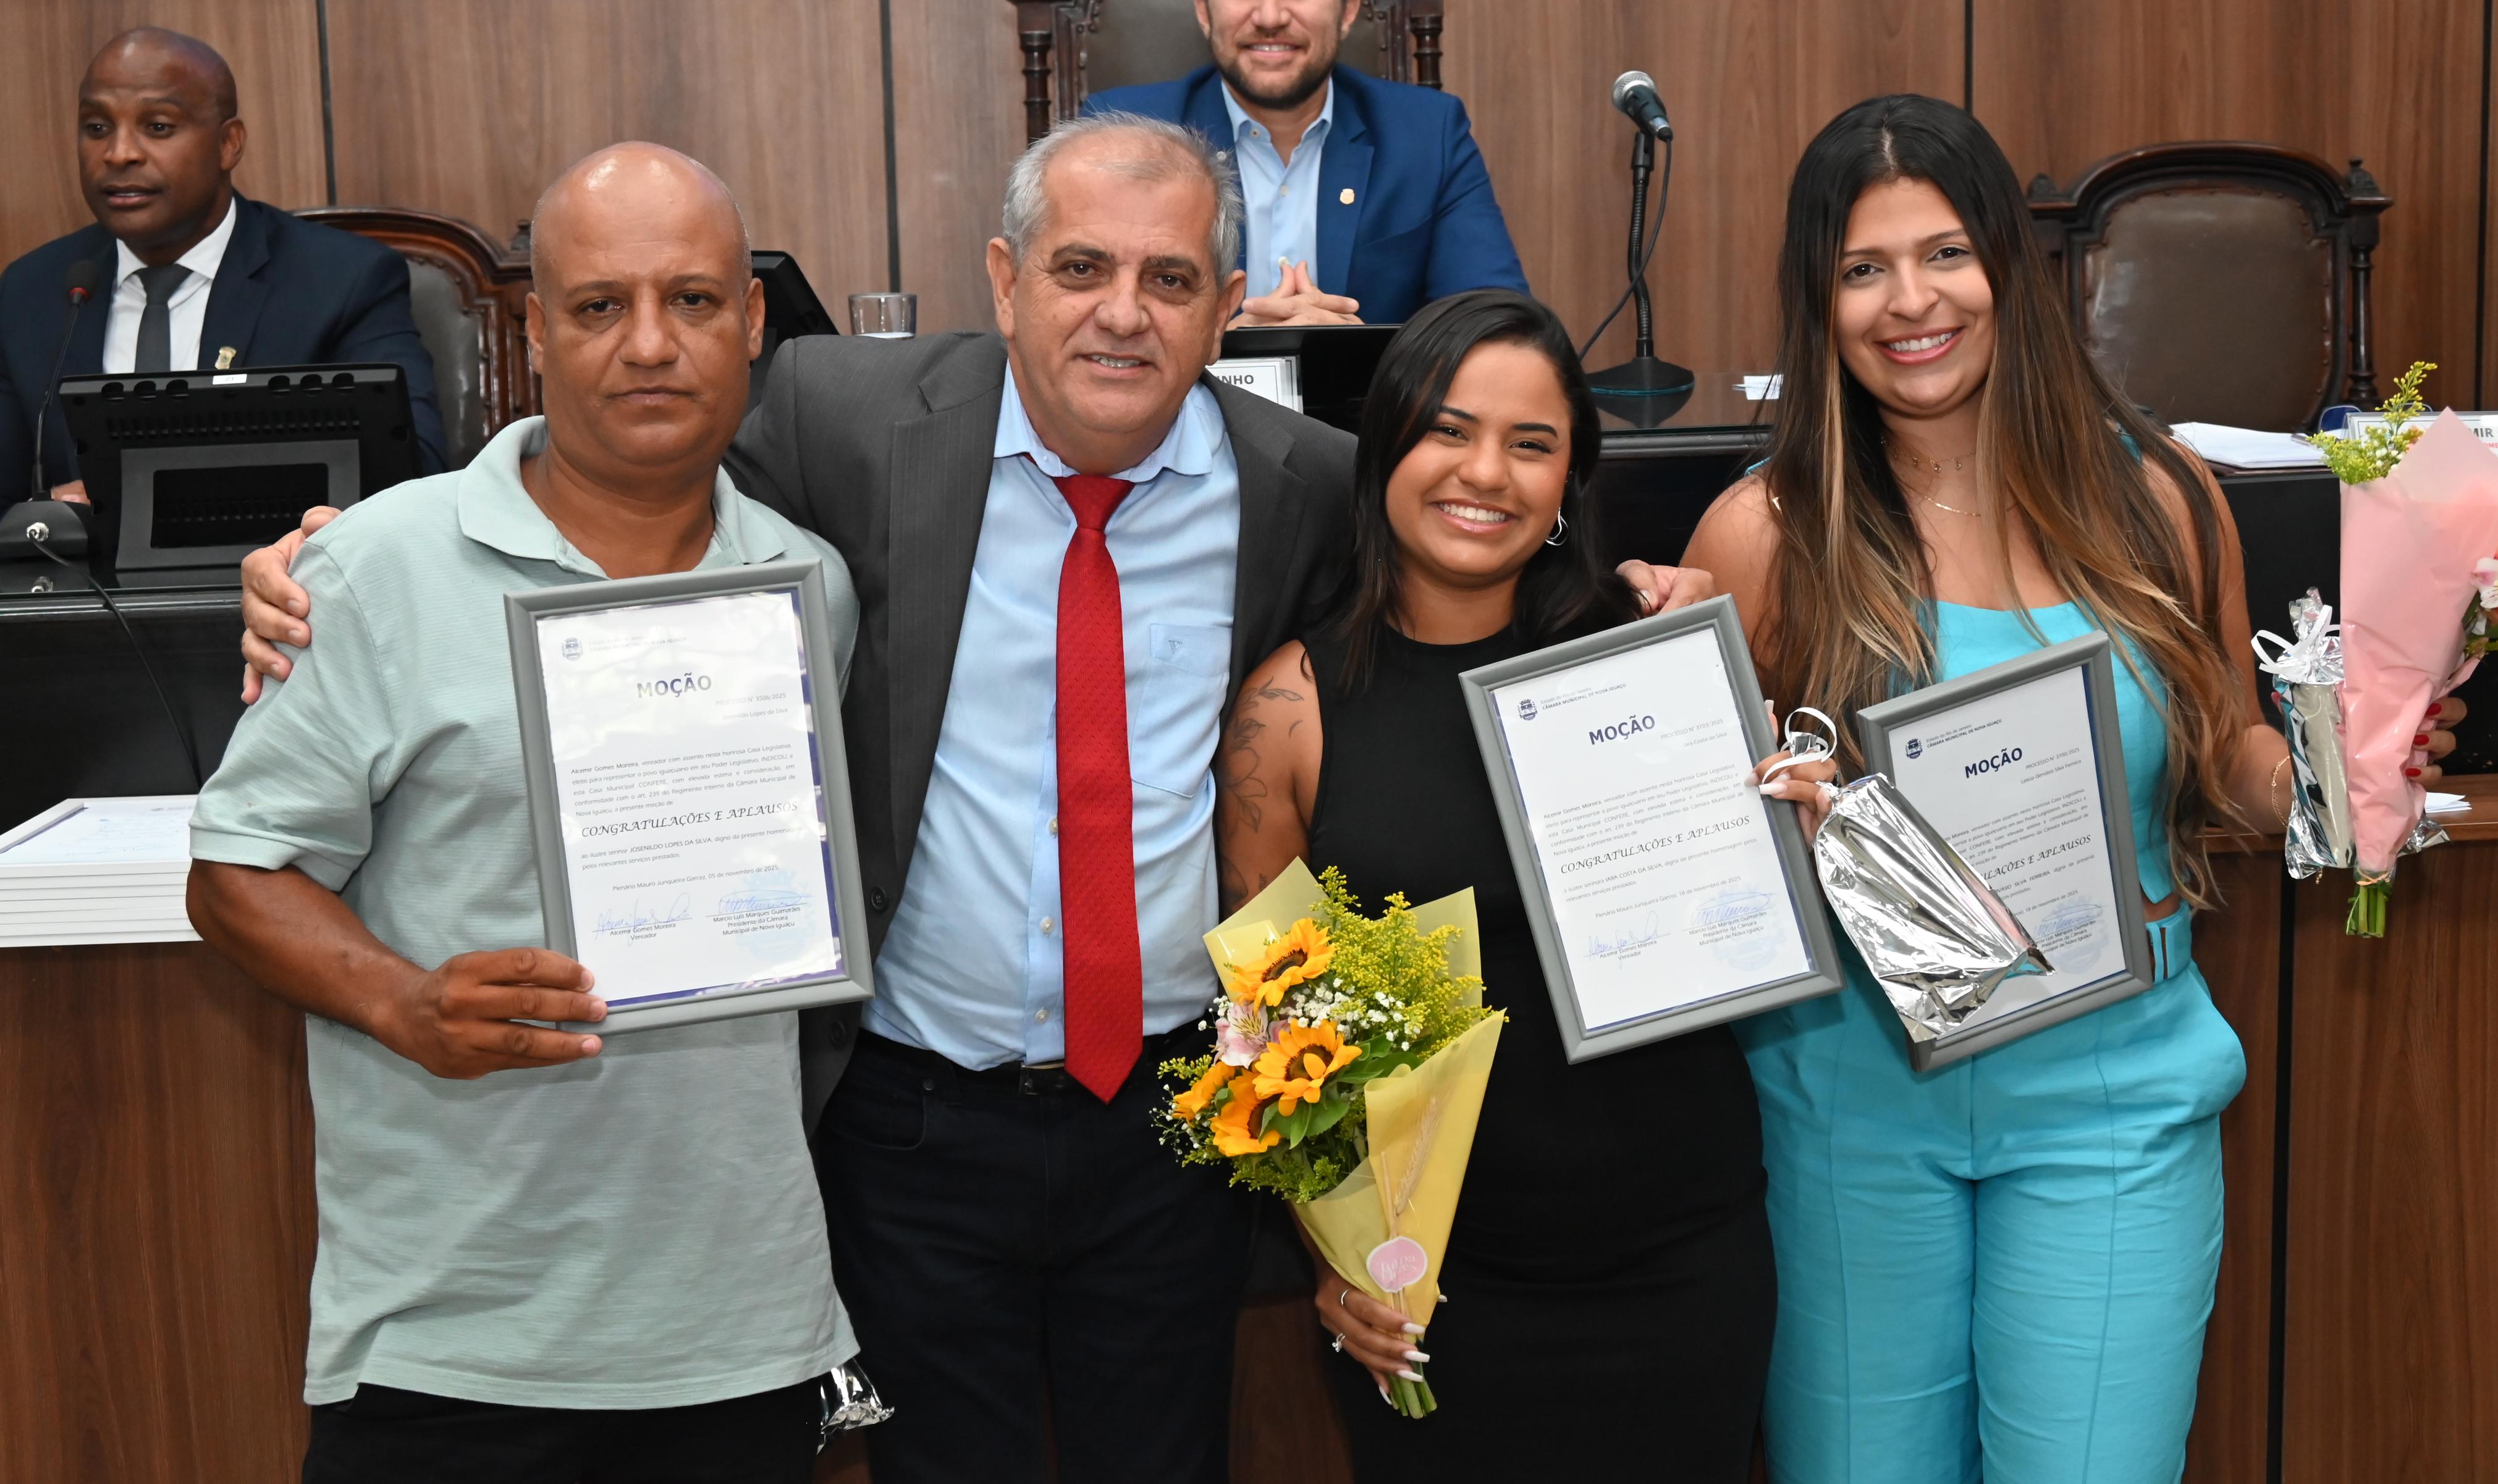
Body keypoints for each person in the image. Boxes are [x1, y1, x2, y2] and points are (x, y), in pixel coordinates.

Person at [235, 114, 1705, 1481]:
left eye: (1168, 277)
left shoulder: (1305, 482)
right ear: (1004, 279)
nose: (1120, 312)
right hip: (911, 1118)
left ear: (1226, 303)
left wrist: (1623, 599)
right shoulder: (843, 417)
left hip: (1175, 1120)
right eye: (1079, 267)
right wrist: (347, 545)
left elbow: (1441, 618)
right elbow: (627, 456)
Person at [1684, 94, 2466, 1483]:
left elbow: (2225, 759)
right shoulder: (1765, 532)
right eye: (1862, 268)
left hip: (2111, 1085)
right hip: (1854, 1089)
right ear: (1818, 299)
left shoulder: (2155, 496)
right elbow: (1709, 860)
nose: (1908, 301)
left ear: (2007, 267)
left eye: (1943, 254)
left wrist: (2360, 765)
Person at [187, 144, 856, 1483]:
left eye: (695, 300)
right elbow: (237, 870)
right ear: (534, 330)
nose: (651, 344)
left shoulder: (808, 584)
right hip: (454, 1333)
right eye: (600, 306)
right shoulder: (374, 564)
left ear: (755, 323)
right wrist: (400, 1001)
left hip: (744, 1331)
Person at [1215, 289, 1774, 1479]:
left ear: (1574, 479)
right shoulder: (1291, 708)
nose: (1487, 473)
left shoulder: (1652, 650)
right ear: (1386, 452)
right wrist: (1334, 1256)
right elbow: (1263, 1028)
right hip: (1431, 1292)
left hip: (1682, 1257)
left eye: (1533, 445)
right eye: (1448, 431)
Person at [0, 27, 446, 500]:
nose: (118, 153)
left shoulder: (343, 282)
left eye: (157, 127)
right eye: (97, 128)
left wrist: (154, 500)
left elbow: (412, 473)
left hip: (277, 569)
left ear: (228, 144)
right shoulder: (33, 291)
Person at [1087, 0, 1526, 329]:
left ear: (1348, 10)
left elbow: (1495, 324)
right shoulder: (1121, 135)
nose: (1271, 16)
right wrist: (1223, 358)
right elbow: (1082, 320)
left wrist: (1361, 358)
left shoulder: (1428, 134)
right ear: (1205, 10)